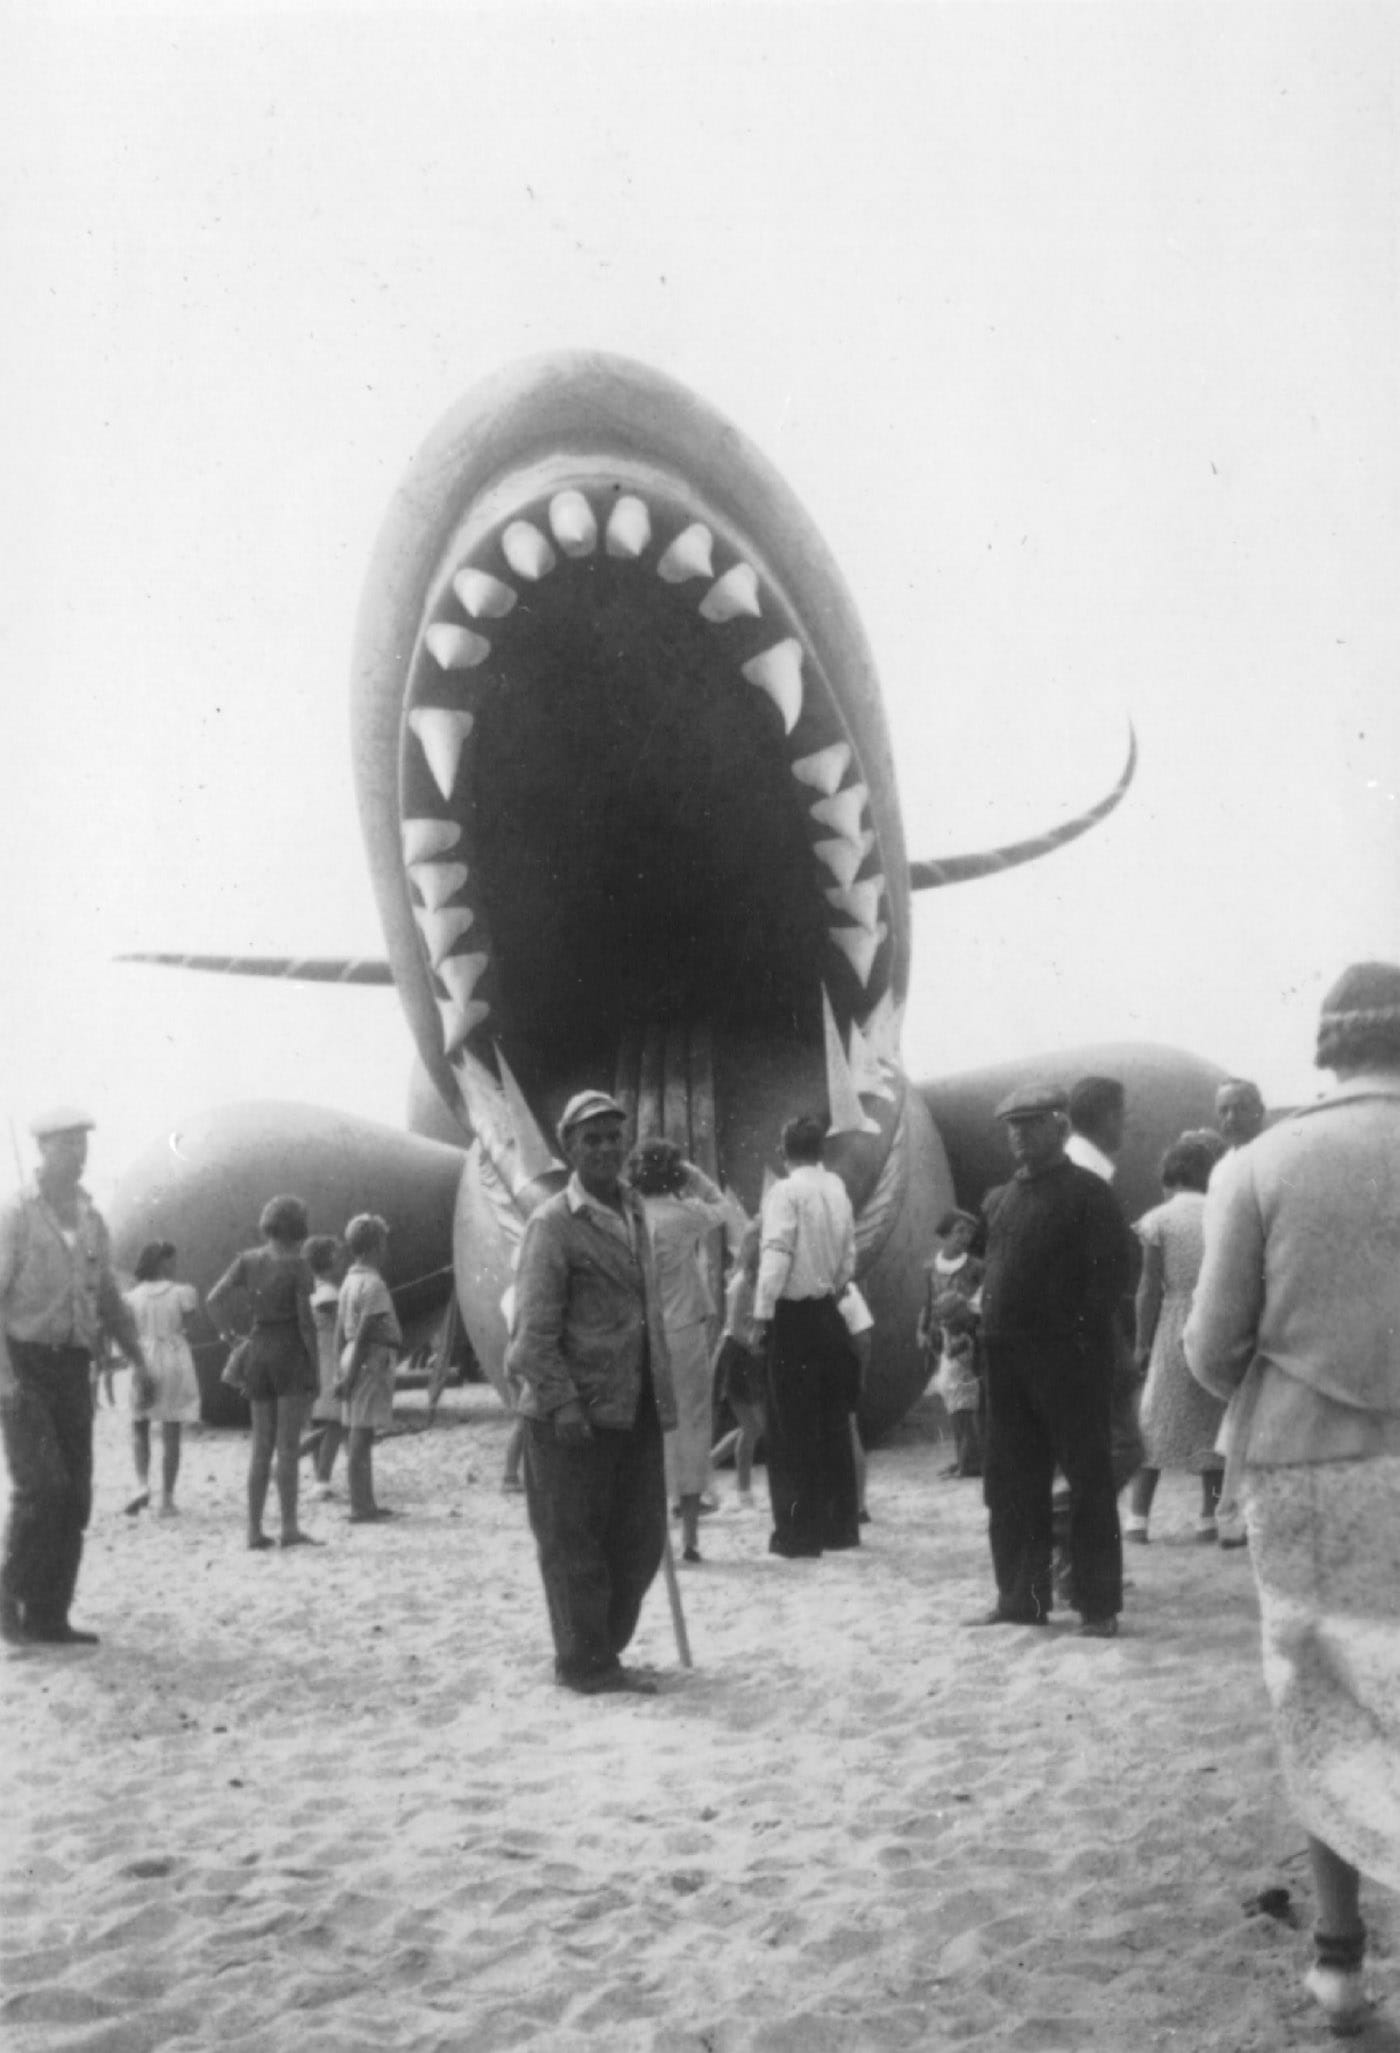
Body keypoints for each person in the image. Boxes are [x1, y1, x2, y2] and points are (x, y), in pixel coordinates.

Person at [1185, 963, 1400, 2036]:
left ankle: (1338, 1966)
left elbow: (1210, 1345)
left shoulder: (1260, 1162)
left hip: (1308, 1467)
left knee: (1322, 1700)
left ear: (1326, 1047)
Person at [506, 1090, 677, 1695]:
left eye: (613, 1136)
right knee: (573, 1545)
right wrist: (565, 1403)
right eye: (591, 1138)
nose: (605, 1147)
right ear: (567, 1148)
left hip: (634, 1408)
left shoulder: (634, 1211)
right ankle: (587, 1664)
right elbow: (530, 1337)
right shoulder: (552, 1224)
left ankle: (601, 1649)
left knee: (640, 1543)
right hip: (571, 1417)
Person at [970, 1083, 1135, 1637]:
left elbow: (1112, 1277)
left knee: (1088, 1481)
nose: (1019, 1134)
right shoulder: (998, 1200)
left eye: (1031, 1123)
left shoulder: (1090, 1194)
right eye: (1012, 1125)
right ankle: (1021, 1598)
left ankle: (1097, 1606)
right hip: (1005, 1361)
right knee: (1013, 1483)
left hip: (1068, 1362)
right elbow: (995, 1273)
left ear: (1060, 1128)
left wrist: (1080, 1343)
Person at [0, 1107, 149, 1648]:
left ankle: (49, 1615)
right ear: (42, 1149)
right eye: (67, 1145)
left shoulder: (90, 1218)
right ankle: (10, 1603)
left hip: (73, 1368)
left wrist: (141, 1359)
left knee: (76, 1495)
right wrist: (6, 1380)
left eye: (83, 1145)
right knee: (43, 1487)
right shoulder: (16, 1214)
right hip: (25, 1364)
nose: (79, 1155)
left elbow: (107, 1296)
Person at [752, 1114, 860, 1559]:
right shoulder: (837, 1188)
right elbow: (849, 1253)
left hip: (793, 1317)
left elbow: (776, 1251)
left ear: (784, 1149)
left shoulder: (785, 1191)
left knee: (791, 1427)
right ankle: (840, 1527)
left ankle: (799, 1533)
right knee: (833, 1421)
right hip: (828, 1311)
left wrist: (761, 1313)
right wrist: (832, 1284)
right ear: (822, 1149)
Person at [627, 1137, 735, 1565]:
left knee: (649, 1424)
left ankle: (653, 1533)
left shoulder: (630, 1216)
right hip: (684, 1328)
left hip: (643, 1330)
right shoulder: (684, 1214)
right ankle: (689, 1535)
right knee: (691, 1421)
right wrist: (691, 1174)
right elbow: (721, 1205)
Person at [1122, 1137, 1225, 1543]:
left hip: (1174, 1318)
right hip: (1214, 1317)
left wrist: (1141, 1343)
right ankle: (1208, 1517)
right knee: (1213, 1415)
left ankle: (1137, 1519)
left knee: (1156, 1414)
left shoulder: (1158, 1219)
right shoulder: (1221, 1213)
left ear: (1169, 1176)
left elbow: (1149, 1288)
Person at [207, 1195, 321, 1551]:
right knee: (287, 1447)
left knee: (261, 1447)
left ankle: (253, 1530)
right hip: (288, 1351)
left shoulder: (249, 1260)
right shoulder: (299, 1266)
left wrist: (228, 1335)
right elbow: (306, 1321)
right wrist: (315, 1366)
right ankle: (289, 1527)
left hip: (257, 1349)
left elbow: (213, 1300)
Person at [123, 1241, 201, 1518]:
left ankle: (142, 1484)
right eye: (172, 1260)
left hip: (143, 1357)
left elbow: (128, 1332)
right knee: (171, 1429)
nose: (175, 1265)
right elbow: (188, 1326)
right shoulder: (182, 1292)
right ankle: (167, 1499)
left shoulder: (131, 1297)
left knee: (139, 1424)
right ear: (162, 1262)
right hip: (173, 1357)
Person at [336, 1213, 403, 1524]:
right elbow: (364, 1332)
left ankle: (366, 1502)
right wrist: (350, 1376)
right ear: (375, 1246)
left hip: (353, 1356)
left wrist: (343, 1369)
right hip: (369, 1360)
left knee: (359, 1434)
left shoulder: (350, 1281)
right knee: (361, 1437)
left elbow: (343, 1331)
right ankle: (361, 1507)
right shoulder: (373, 1284)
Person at [917, 1208, 984, 1479]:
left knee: (964, 1401)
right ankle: (962, 1457)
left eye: (969, 1233)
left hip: (965, 1340)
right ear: (945, 1234)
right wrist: (922, 1329)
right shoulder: (930, 1267)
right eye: (959, 1231)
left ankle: (970, 1461)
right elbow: (928, 1301)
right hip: (939, 1340)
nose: (965, 1238)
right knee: (952, 1401)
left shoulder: (977, 1267)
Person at [711, 1220, 766, 1511]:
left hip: (749, 1355)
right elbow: (734, 1327)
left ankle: (739, 1485)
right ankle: (739, 1486)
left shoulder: (758, 1281)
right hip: (736, 1356)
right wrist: (755, 1344)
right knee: (752, 1425)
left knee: (753, 1427)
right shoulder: (741, 1283)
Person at [300, 1235, 345, 1500]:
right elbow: (343, 1327)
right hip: (330, 1358)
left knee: (320, 1420)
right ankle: (321, 1478)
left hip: (315, 1358)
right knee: (334, 1423)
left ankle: (319, 1478)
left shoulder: (311, 1289)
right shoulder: (329, 1294)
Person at [838, 1280, 874, 1521]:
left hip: (836, 1368)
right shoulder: (847, 1290)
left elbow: (863, 1340)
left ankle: (855, 1503)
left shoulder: (845, 1291)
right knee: (850, 1434)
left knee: (847, 1434)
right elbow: (864, 1340)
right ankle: (858, 1504)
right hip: (844, 1367)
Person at [1064, 1075, 1126, 1182]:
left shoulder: (1067, 1159)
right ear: (1110, 1118)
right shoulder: (1094, 1175)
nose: (1125, 1125)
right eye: (1122, 1115)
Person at [1213, 1076, 1267, 1157]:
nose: (1231, 1118)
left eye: (1241, 1109)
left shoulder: (1277, 1157)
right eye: (1223, 1110)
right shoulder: (1223, 1164)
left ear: (1259, 1111)